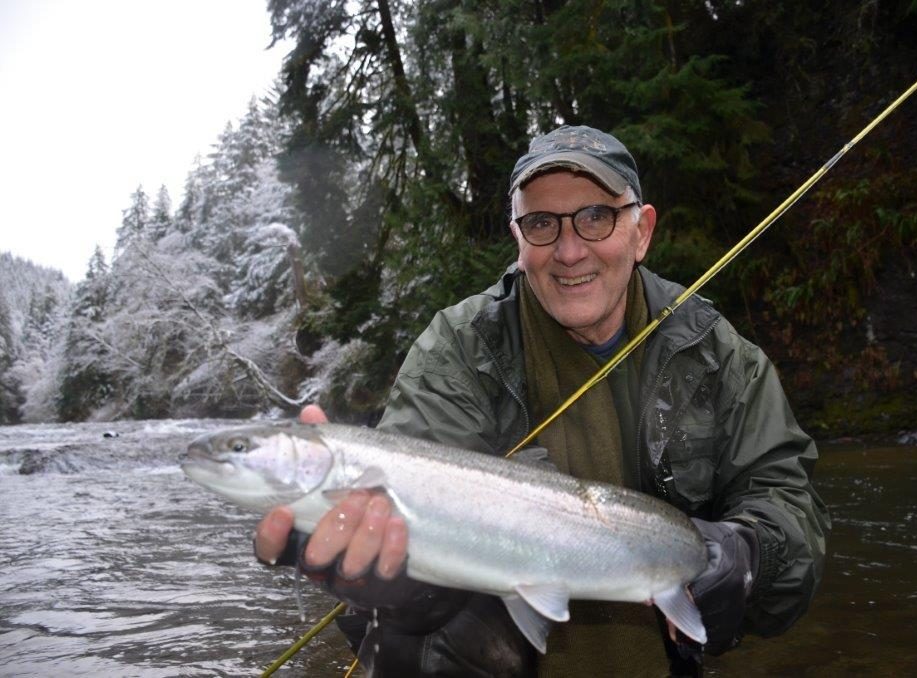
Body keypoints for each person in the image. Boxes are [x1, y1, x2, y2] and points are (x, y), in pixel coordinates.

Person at [255, 125, 830, 677]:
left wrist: (746, 557)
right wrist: (401, 581)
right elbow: (412, 495)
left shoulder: (715, 353)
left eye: (596, 217)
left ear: (642, 230)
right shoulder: (460, 349)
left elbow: (785, 501)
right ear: (518, 237)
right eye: (541, 224)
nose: (570, 250)